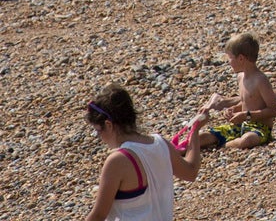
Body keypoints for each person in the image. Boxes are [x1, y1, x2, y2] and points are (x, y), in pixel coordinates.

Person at [81, 84, 203, 221]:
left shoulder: (118, 160)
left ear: (108, 125)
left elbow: (98, 216)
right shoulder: (160, 143)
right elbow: (191, 172)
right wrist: (195, 132)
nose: (100, 138)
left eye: (98, 131)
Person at [187, 33, 276, 151]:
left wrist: (247, 115)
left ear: (241, 58)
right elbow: (249, 101)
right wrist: (235, 109)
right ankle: (180, 152)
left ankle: (224, 145)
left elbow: (274, 110)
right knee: (201, 137)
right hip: (241, 125)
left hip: (260, 128)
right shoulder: (241, 77)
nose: (228, 62)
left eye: (230, 58)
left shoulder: (260, 80)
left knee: (248, 140)